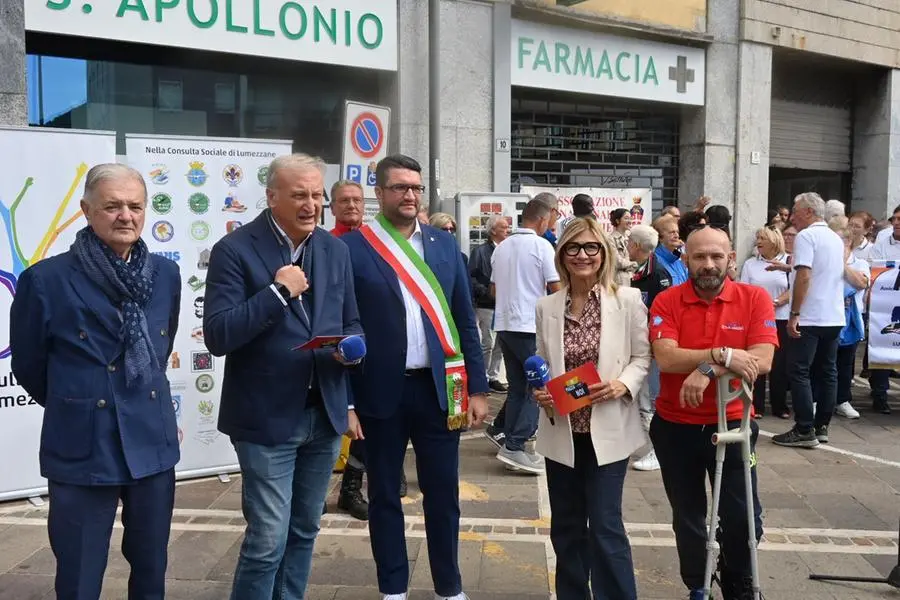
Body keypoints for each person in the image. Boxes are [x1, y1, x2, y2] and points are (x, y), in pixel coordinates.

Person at [10, 164, 181, 600]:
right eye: (112, 206)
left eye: (135, 206)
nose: (126, 215)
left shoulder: (165, 275)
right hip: (82, 447)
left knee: (151, 568)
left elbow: (160, 348)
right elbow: (30, 366)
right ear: (87, 210)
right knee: (80, 575)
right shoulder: (45, 280)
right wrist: (81, 403)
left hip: (151, 443)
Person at [204, 153, 364, 599]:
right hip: (266, 420)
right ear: (271, 196)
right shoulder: (234, 250)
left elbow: (351, 320)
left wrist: (354, 348)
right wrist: (278, 292)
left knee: (305, 530)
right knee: (267, 541)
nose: (311, 204)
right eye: (299, 195)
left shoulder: (335, 249)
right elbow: (219, 335)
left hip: (324, 413)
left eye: (317, 195)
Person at [342, 154, 489, 600]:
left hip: (439, 390)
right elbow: (342, 325)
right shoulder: (352, 247)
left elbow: (466, 320)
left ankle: (450, 587)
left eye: (416, 188)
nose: (410, 195)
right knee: (384, 493)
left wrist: (479, 388)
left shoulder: (445, 246)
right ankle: (393, 589)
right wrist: (347, 402)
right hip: (378, 391)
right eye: (400, 187)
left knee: (443, 494)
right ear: (380, 192)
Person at [649, 226, 776, 600]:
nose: (708, 264)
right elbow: (666, 357)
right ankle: (698, 583)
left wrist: (710, 368)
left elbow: (763, 359)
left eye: (716, 256)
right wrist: (726, 354)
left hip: (735, 422)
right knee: (688, 519)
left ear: (730, 258)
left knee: (743, 517)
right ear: (685, 258)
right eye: (700, 256)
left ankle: (737, 582)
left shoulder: (754, 298)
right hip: (676, 425)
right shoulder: (667, 301)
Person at [532, 218, 650, 600]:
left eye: (590, 248)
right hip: (562, 430)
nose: (582, 255)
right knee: (565, 528)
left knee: (604, 525)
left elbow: (642, 357)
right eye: (573, 248)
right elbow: (542, 359)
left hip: (608, 431)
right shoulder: (547, 305)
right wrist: (543, 392)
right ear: (562, 255)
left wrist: (622, 384)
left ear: (603, 253)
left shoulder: (628, 300)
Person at [328, 179, 388, 520]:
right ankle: (316, 490)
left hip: (370, 347)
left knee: (366, 426)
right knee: (327, 423)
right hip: (332, 346)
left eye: (356, 200)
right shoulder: (324, 244)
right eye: (344, 201)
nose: (351, 205)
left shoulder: (374, 243)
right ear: (333, 207)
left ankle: (351, 490)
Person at [491, 198, 562, 474]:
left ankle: (511, 442)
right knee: (540, 386)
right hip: (530, 325)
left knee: (519, 386)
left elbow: (495, 291)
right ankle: (516, 445)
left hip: (506, 325)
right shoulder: (542, 245)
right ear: (544, 219)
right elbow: (556, 288)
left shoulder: (502, 246)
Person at [773, 192, 846, 448]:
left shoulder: (807, 236)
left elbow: (805, 275)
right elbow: (825, 271)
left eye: (795, 210)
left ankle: (804, 428)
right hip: (834, 315)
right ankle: (821, 426)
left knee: (799, 371)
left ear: (808, 211)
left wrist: (794, 314)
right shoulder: (835, 239)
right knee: (828, 371)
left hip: (812, 316)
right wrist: (787, 269)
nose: (792, 216)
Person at [627, 224, 673, 472]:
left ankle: (659, 451)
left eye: (628, 242)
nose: (626, 246)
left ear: (635, 245)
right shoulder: (637, 270)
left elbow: (660, 312)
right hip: (637, 342)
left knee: (649, 399)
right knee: (638, 397)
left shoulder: (658, 275)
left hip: (651, 345)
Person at [739, 226, 791, 419]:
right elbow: (743, 290)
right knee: (756, 361)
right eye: (757, 238)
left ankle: (779, 405)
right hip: (757, 319)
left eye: (763, 238)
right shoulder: (750, 264)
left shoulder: (788, 262)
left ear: (774, 240)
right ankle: (756, 404)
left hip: (781, 318)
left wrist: (776, 302)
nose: (758, 241)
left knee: (780, 364)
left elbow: (795, 288)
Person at [469, 215, 510, 396]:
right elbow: (472, 276)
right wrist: (486, 292)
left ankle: (493, 376)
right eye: (503, 228)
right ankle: (483, 377)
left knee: (501, 342)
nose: (507, 231)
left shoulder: (509, 250)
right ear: (493, 230)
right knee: (488, 341)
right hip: (487, 304)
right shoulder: (480, 252)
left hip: (505, 303)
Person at [832, 227, 870, 421]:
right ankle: (818, 400)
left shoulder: (861, 263)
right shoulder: (827, 262)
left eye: (844, 242)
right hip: (829, 318)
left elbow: (860, 283)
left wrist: (842, 265)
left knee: (846, 363)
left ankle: (842, 400)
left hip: (851, 321)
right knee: (824, 362)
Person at [652, 214, 688, 285]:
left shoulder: (679, 259)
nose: (676, 236)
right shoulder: (654, 260)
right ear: (660, 237)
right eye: (672, 232)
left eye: (677, 232)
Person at [609, 207, 637, 287]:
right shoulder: (610, 239)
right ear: (617, 221)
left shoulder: (630, 238)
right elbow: (617, 262)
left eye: (630, 218)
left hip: (633, 278)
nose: (630, 221)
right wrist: (634, 265)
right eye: (626, 218)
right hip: (618, 281)